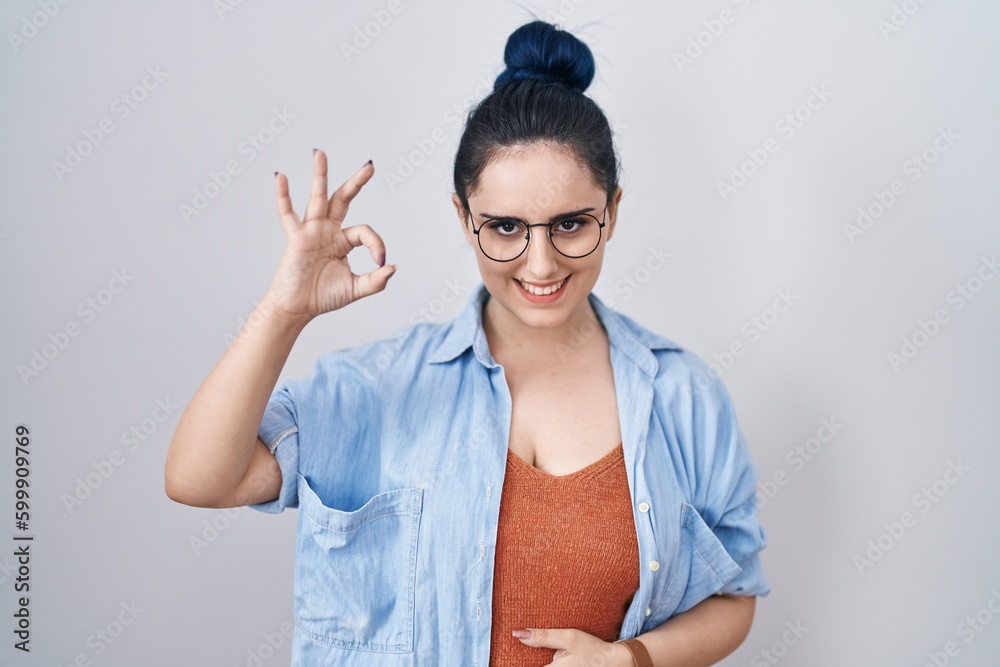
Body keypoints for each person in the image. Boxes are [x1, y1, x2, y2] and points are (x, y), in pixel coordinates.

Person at [164, 19, 771, 667]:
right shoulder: (379, 387)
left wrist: (632, 659)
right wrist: (283, 310)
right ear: (463, 217)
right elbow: (200, 477)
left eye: (571, 224)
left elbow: (735, 595)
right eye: (505, 227)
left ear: (612, 212)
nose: (540, 264)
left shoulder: (686, 397)